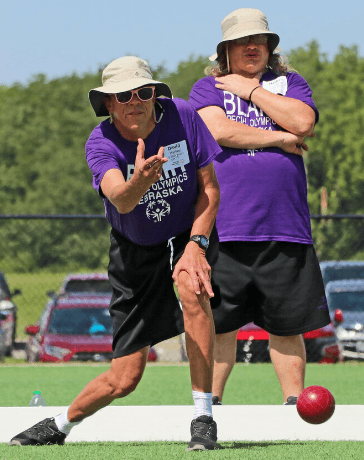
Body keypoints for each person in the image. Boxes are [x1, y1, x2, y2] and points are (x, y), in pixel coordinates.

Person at [9, 56, 222, 451]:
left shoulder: (184, 115)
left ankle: (203, 417)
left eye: (144, 92)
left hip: (185, 235)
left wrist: (198, 245)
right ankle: (59, 423)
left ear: (154, 93)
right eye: (123, 95)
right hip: (134, 252)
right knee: (124, 379)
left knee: (191, 287)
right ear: (109, 103)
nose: (135, 101)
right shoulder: (101, 141)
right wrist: (139, 181)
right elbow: (120, 201)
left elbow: (209, 189)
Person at [188, 8, 331, 405]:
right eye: (242, 41)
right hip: (224, 226)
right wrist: (278, 139)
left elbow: (302, 122)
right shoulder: (207, 88)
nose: (252, 46)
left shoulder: (290, 82)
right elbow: (218, 130)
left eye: (260, 40)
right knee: (218, 328)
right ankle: (208, 412)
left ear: (269, 48)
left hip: (285, 225)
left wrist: (251, 91)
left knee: (287, 327)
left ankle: (294, 407)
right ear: (226, 50)